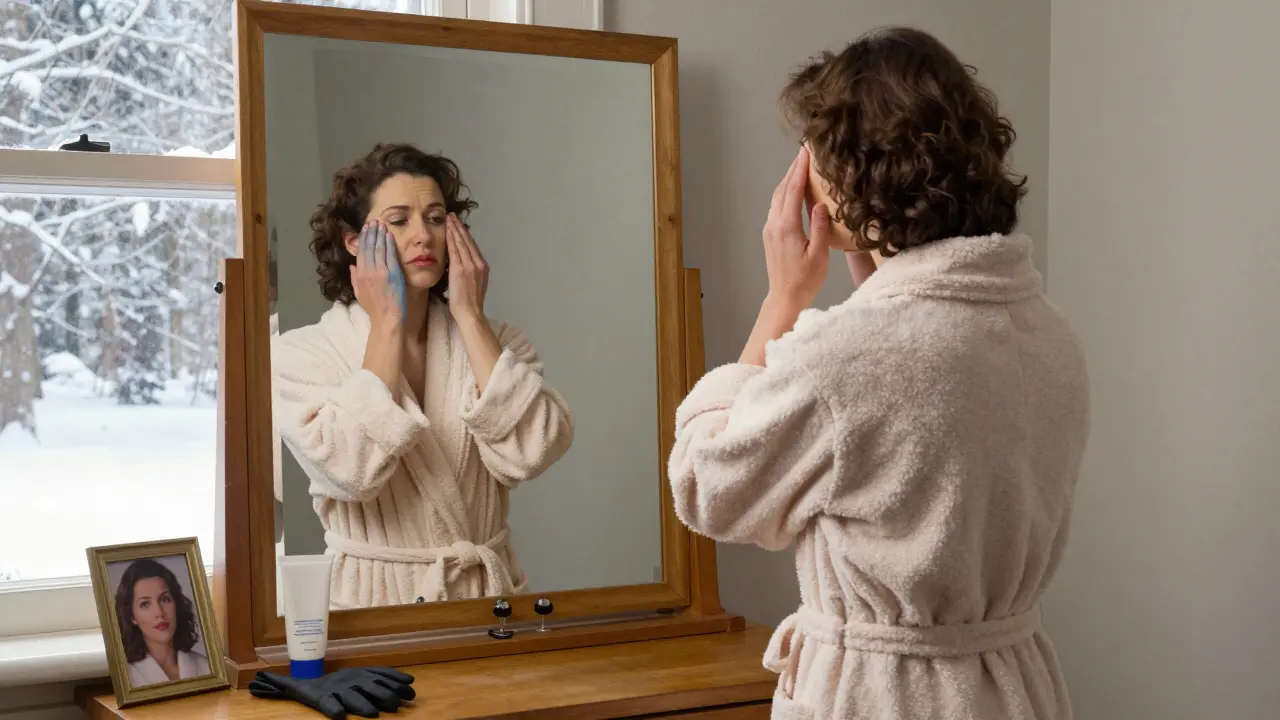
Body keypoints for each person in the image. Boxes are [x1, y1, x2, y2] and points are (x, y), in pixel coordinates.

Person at [668, 27, 1088, 720]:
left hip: (885, 697)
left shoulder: (851, 357)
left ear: (847, 175)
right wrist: (877, 276)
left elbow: (708, 485)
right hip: (1014, 690)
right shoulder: (1052, 335)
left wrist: (782, 300)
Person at [271, 143, 574, 609]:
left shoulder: (501, 343)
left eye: (435, 218)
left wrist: (471, 317)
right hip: (372, 607)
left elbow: (532, 451)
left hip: (489, 602)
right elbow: (349, 471)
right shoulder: (302, 354)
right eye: (398, 221)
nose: (423, 236)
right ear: (354, 243)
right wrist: (388, 323)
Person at [115, 558, 212, 687]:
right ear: (132, 617)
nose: (159, 613)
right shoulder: (126, 677)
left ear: (176, 604)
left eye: (165, 599)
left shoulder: (205, 666)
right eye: (145, 604)